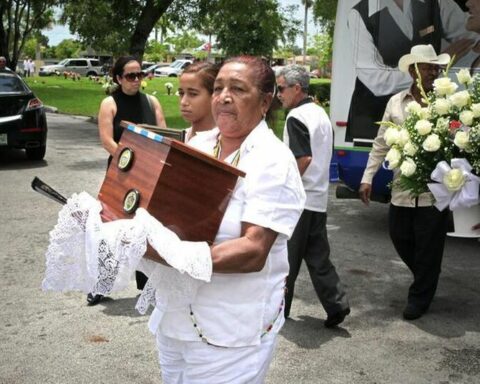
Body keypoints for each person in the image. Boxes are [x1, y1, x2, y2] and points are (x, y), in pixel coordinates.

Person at [144, 56, 305, 383]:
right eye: (218, 88)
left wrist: (167, 252)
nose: (223, 96)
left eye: (237, 89)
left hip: (230, 331)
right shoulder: (199, 143)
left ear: (265, 100)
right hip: (177, 318)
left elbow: (253, 251)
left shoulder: (273, 160)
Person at [359, 44, 451, 321]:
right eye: (427, 67)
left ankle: (419, 297)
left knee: (428, 244)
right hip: (402, 186)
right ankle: (428, 273)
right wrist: (367, 177)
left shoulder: (445, 101)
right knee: (400, 236)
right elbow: (380, 142)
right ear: (413, 71)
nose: (433, 71)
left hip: (435, 190)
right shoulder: (396, 102)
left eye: (436, 67)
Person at [276, 65, 350, 328]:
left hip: (300, 200)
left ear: (297, 89)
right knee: (318, 257)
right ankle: (337, 303)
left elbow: (303, 158)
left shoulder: (296, 117)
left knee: (285, 260)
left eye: (282, 88)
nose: (278, 94)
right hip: (317, 198)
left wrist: (284, 189)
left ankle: (276, 312)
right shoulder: (319, 113)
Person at [91, 56, 167, 306]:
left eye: (140, 75)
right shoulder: (109, 103)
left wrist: (152, 165)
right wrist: (129, 161)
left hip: (148, 174)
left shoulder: (152, 101)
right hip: (121, 172)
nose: (137, 80)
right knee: (111, 228)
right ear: (118, 78)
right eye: (131, 76)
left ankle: (147, 285)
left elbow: (165, 136)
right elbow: (107, 141)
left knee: (145, 229)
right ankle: (100, 284)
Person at [346, 0, 476, 141]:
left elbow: (472, 35)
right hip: (373, 120)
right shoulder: (359, 15)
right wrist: (436, 66)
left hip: (429, 113)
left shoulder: (437, 3)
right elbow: (377, 81)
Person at [178, 61, 219, 142]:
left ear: (214, 95)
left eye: (193, 94)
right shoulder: (180, 137)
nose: (183, 102)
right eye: (181, 93)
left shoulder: (220, 144)